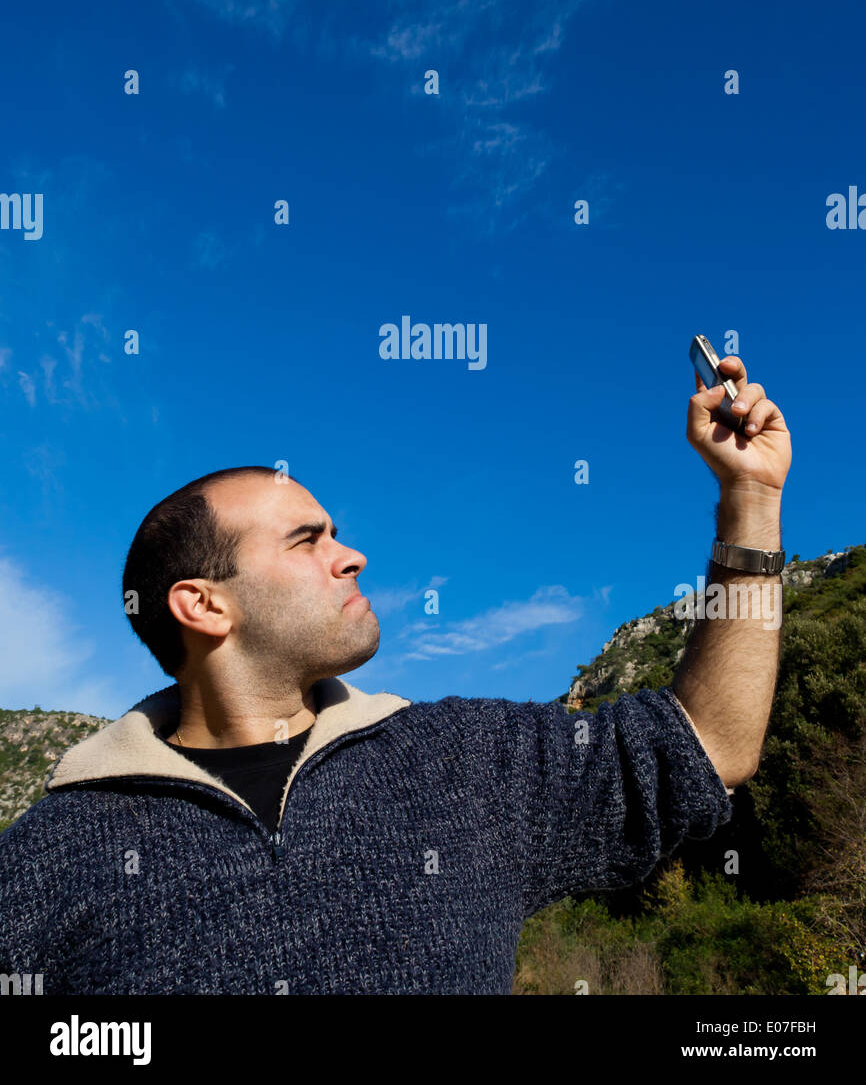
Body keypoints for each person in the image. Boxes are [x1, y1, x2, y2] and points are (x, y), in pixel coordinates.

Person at [0, 354, 791, 995]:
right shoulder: (43, 862)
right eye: (307, 541)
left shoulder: (465, 762)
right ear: (202, 606)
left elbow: (710, 743)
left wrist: (750, 499)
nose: (351, 556)